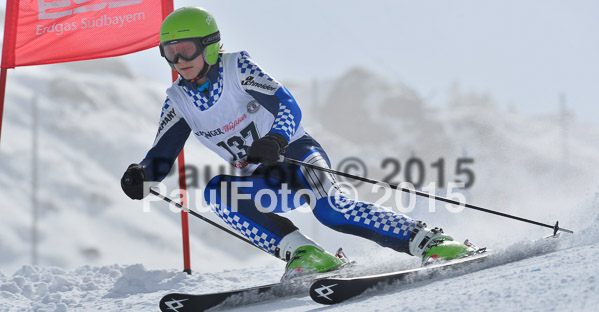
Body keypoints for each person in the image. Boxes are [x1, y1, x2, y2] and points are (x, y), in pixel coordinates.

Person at [121, 7, 478, 280]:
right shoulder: (178, 100)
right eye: (169, 53)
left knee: (331, 210)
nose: (179, 61)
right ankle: (306, 255)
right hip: (266, 179)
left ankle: (429, 241)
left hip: (296, 154)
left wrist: (276, 137)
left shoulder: (237, 68)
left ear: (210, 46)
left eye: (185, 50)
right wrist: (142, 175)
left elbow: (287, 104)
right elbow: (161, 156)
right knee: (218, 192)